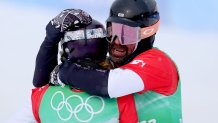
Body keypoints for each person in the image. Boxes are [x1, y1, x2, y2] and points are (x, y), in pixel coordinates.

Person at [55, 0, 183, 122]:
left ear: (146, 34)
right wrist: (50, 39)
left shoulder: (159, 63)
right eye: (112, 31)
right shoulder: (115, 64)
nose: (116, 41)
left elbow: (109, 85)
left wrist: (64, 72)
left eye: (126, 35)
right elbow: (40, 84)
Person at [32, 9, 138, 123]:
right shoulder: (124, 90)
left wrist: (50, 39)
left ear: (68, 49)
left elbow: (39, 82)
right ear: (104, 45)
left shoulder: (43, 96)